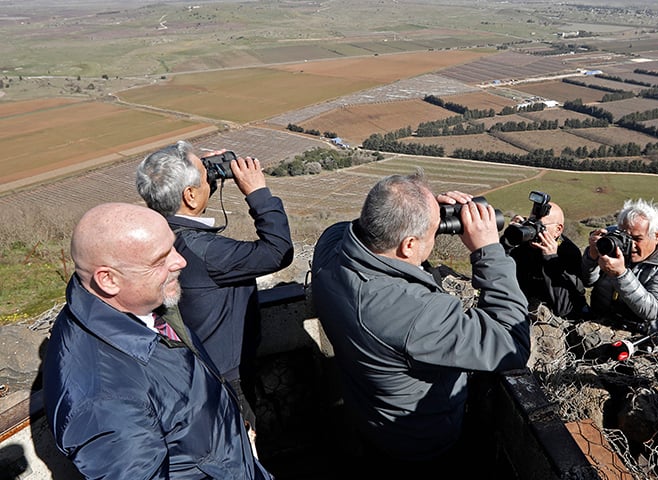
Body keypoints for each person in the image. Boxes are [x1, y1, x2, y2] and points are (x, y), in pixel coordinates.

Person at [311, 172, 530, 475]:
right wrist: (488, 250)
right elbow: (511, 344)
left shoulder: (331, 247)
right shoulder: (416, 312)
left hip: (370, 417)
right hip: (420, 444)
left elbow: (371, 226)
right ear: (409, 246)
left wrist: (421, 210)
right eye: (430, 234)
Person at [43, 203, 273, 479]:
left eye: (173, 248)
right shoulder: (105, 400)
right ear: (108, 280)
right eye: (160, 259)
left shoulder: (138, 305)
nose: (180, 262)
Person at [136, 140, 293, 439]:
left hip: (189, 375)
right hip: (227, 383)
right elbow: (278, 251)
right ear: (190, 195)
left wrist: (199, 175)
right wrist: (258, 193)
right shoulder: (204, 250)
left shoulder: (155, 238)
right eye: (204, 174)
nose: (209, 175)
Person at [582, 198, 658, 353]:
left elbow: (653, 310)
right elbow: (587, 281)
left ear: (656, 235)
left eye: (638, 239)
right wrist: (591, 258)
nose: (630, 244)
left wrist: (621, 275)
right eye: (626, 237)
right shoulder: (613, 238)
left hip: (651, 340)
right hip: (604, 326)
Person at [503, 201, 586, 319]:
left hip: (554, 319)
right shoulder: (524, 244)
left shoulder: (568, 252)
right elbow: (497, 273)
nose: (533, 230)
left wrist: (551, 259)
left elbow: (565, 308)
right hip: (518, 308)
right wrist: (509, 241)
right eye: (531, 223)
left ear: (558, 229)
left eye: (540, 226)